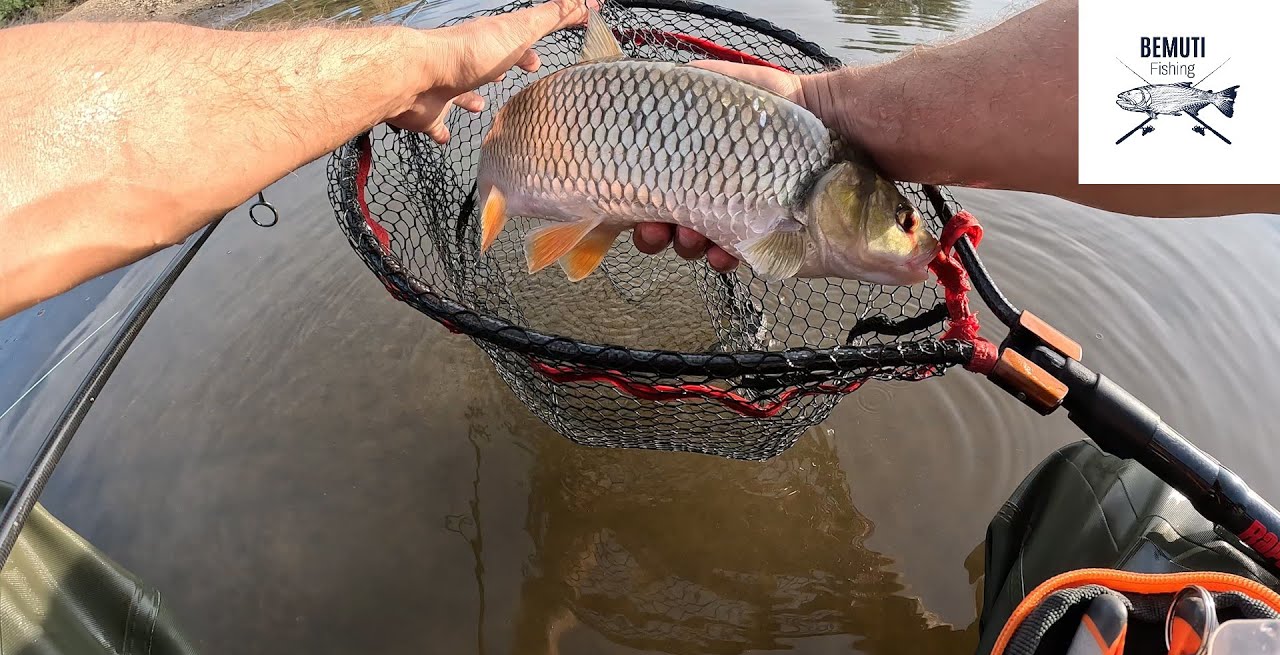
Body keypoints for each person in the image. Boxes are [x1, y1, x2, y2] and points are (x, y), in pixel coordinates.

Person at [1, 0, 1276, 319]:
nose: (908, 245)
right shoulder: (804, 194)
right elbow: (1243, 84)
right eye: (893, 227)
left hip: (659, 138)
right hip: (559, 137)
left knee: (603, 221)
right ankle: (511, 176)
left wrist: (839, 106)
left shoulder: (808, 186)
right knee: (565, 211)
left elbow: (1237, 75)